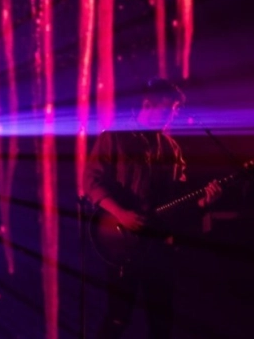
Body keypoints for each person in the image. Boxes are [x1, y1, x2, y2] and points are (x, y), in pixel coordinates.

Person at [83, 78, 222, 339]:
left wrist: (202, 203)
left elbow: (177, 200)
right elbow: (91, 181)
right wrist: (121, 214)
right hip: (121, 241)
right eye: (169, 108)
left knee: (161, 322)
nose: (173, 114)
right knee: (118, 318)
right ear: (148, 104)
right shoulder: (113, 137)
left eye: (175, 110)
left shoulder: (171, 148)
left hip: (157, 246)